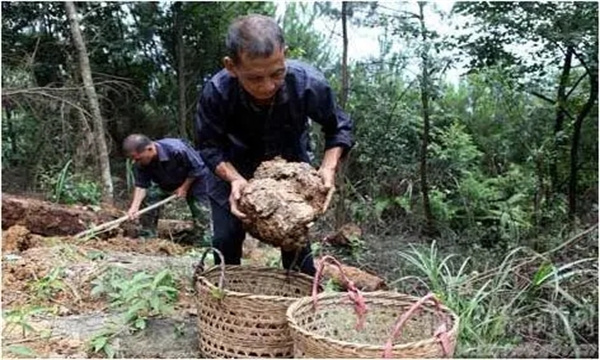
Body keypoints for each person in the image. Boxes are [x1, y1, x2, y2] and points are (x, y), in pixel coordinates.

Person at [193, 14, 354, 276]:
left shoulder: (309, 84)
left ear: (284, 55)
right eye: (255, 78)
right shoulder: (217, 92)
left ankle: (299, 306)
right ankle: (227, 299)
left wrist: (328, 167)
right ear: (231, 66)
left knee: (297, 246)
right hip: (233, 168)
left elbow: (339, 126)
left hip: (289, 170)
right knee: (225, 239)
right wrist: (234, 179)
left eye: (277, 73)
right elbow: (208, 146)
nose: (268, 86)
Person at [123, 134, 212, 243]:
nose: (137, 162)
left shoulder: (177, 149)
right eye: (134, 159)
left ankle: (203, 241)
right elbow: (141, 185)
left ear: (149, 149)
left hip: (194, 181)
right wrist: (134, 207)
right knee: (149, 198)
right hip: (165, 183)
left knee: (201, 211)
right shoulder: (141, 163)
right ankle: (148, 235)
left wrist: (184, 188)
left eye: (138, 158)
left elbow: (197, 168)